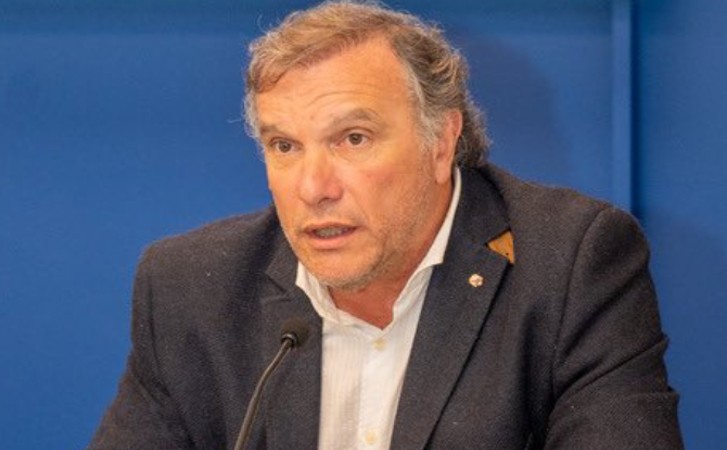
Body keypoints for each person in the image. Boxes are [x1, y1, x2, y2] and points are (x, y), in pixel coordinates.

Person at [89, 1, 684, 449]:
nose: (313, 187)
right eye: (284, 146)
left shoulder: (569, 265)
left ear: (441, 142)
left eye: (353, 138)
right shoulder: (191, 289)